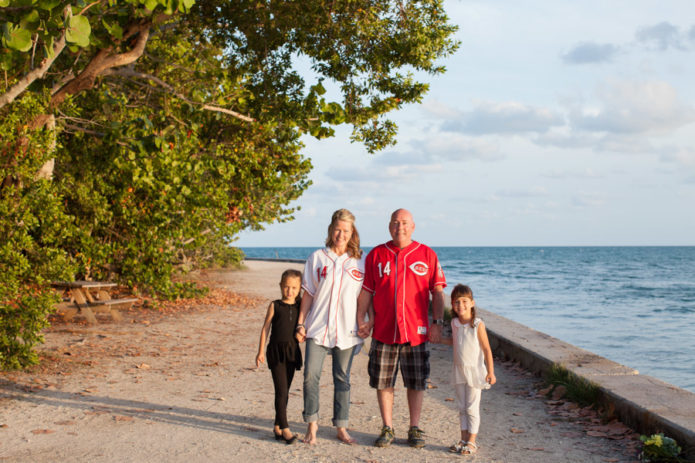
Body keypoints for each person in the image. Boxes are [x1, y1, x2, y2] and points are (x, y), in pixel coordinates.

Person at [356, 208, 446, 448]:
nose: (400, 227)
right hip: (384, 331)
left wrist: (437, 323)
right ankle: (387, 427)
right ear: (389, 226)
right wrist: (361, 318)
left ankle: (414, 428)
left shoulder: (427, 254)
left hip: (416, 333)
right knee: (384, 382)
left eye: (405, 223)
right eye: (396, 223)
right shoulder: (376, 255)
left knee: (416, 382)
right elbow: (367, 290)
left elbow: (437, 292)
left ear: (413, 226)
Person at [295, 209, 365, 445]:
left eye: (346, 230)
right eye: (337, 229)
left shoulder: (360, 261)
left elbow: (365, 297)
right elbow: (308, 293)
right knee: (309, 377)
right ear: (330, 230)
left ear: (352, 232)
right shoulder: (317, 258)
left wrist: (368, 321)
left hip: (347, 330)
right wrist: (300, 324)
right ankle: (312, 424)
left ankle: (341, 427)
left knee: (342, 379)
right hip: (317, 328)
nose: (341, 234)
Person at [438, 284, 496, 455]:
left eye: (464, 301)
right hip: (459, 370)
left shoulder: (477, 324)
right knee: (462, 406)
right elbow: (455, 342)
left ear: (472, 303)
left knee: (472, 407)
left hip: (474, 371)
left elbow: (486, 349)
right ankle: (463, 438)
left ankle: (472, 441)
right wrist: (438, 339)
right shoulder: (455, 323)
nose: (460, 305)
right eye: (456, 302)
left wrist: (490, 372)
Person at [255, 269, 303, 445]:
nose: (290, 291)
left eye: (294, 288)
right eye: (286, 287)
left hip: (292, 352)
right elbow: (265, 328)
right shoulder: (275, 305)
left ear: (299, 289)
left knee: (285, 392)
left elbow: (305, 325)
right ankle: (285, 428)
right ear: (281, 286)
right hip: (275, 352)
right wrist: (260, 352)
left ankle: (276, 426)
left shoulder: (300, 306)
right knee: (281, 390)